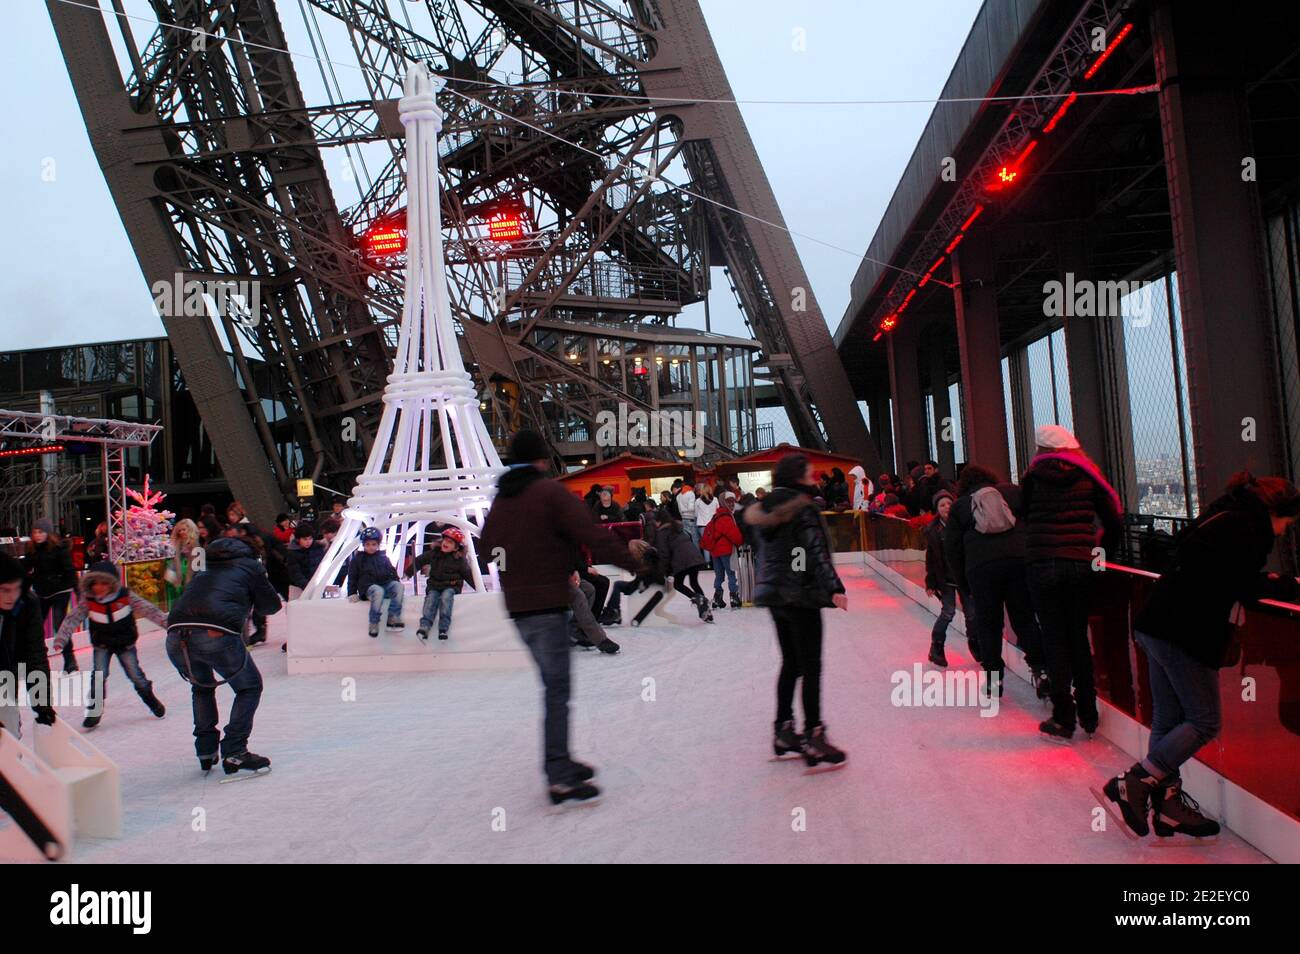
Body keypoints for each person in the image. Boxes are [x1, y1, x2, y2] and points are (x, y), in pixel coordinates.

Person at [1100, 472, 1300, 841]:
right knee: (1205, 721)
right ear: (1277, 510)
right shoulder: (1247, 528)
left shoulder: (1224, 514)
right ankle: (1137, 780)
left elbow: (1214, 570)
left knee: (1169, 717)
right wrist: (1283, 585)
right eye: (1288, 521)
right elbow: (1242, 583)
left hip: (1156, 621)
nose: (1285, 530)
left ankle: (1168, 808)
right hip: (1183, 631)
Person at [479, 430, 639, 805]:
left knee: (553, 688)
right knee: (557, 691)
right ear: (541, 460)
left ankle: (560, 764)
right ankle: (559, 773)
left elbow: (488, 549)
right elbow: (591, 534)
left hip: (518, 610)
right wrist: (634, 563)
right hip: (547, 606)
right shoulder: (549, 493)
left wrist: (520, 559)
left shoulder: (502, 499)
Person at [745, 453, 848, 768]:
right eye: (809, 471)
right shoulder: (804, 509)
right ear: (797, 476)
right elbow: (813, 550)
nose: (814, 474)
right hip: (799, 595)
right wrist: (834, 587)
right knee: (811, 665)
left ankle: (783, 730)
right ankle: (813, 735)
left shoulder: (764, 510)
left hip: (775, 594)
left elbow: (788, 552)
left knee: (791, 662)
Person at [1021, 425, 1124, 741]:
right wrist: (1098, 558)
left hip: (1043, 567)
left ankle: (1063, 718)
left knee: (1054, 640)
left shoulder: (1032, 479)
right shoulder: (1089, 476)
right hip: (1080, 566)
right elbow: (1113, 521)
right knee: (1079, 638)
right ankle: (1089, 715)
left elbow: (1024, 517)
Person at [166, 536, 281, 776]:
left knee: (202, 687)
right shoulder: (250, 565)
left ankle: (206, 750)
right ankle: (235, 751)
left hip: (176, 635)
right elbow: (271, 606)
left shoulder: (204, 565)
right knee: (249, 687)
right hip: (214, 633)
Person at [945, 464, 1047, 699]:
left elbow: (952, 549)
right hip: (1018, 562)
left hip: (981, 569)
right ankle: (1042, 671)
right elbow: (1033, 522)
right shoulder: (1011, 492)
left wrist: (964, 583)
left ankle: (993, 680)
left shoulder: (960, 505)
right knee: (1025, 619)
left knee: (989, 624)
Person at [52, 562, 167, 729]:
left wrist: (167, 623)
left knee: (135, 675)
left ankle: (151, 701)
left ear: (112, 583)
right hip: (102, 644)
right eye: (95, 583)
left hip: (125, 643)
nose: (99, 587)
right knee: (98, 676)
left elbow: (148, 609)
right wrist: (61, 638)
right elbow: (73, 618)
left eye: (104, 583)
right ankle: (94, 711)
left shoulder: (125, 596)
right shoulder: (88, 601)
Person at [0, 554, 56, 737]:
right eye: (4, 590)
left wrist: (42, 704)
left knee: (9, 738)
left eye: (16, 589)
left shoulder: (27, 604)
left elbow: (35, 654)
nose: (11, 596)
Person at [923, 490, 976, 667]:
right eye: (942, 505)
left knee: (972, 613)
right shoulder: (933, 530)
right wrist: (930, 582)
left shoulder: (962, 524)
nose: (946, 507)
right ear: (937, 509)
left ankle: (975, 644)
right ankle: (936, 648)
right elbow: (930, 557)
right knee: (948, 612)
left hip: (964, 576)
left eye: (948, 503)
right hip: (945, 578)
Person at [23, 518, 79, 673]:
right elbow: (26, 571)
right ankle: (38, 658)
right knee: (35, 626)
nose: (37, 535)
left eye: (40, 532)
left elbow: (69, 570)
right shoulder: (32, 550)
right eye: (35, 532)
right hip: (43, 592)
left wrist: (77, 590)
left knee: (59, 624)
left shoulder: (59, 548)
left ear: (47, 533)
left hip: (61, 590)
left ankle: (70, 661)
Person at [651, 508, 713, 622]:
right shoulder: (678, 527)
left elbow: (664, 553)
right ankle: (706, 611)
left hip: (682, 561)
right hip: (694, 556)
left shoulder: (662, 532)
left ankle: (698, 600)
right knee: (694, 582)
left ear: (659, 521)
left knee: (678, 584)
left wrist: (664, 571)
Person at [411, 527, 473, 641]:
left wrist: (480, 588)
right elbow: (420, 560)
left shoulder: (459, 560)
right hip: (434, 585)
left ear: (456, 548)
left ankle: (443, 628)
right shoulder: (434, 554)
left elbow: (467, 574)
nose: (446, 543)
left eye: (450, 542)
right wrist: (408, 572)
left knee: (446, 598)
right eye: (445, 540)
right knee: (430, 599)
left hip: (451, 586)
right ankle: (425, 626)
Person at [348, 527, 405, 637]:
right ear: (363, 545)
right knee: (378, 591)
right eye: (368, 544)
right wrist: (352, 592)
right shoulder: (358, 559)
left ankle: (393, 617)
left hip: (385, 584)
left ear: (378, 544)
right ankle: (374, 622)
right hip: (368, 588)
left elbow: (392, 572)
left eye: (373, 544)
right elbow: (352, 576)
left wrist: (396, 582)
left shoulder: (383, 557)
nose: (371, 547)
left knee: (398, 586)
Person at [701, 491, 743, 610]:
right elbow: (733, 533)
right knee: (731, 574)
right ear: (723, 502)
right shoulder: (726, 516)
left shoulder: (716, 516)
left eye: (733, 501)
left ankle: (717, 598)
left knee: (719, 575)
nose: (732, 504)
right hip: (725, 550)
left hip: (715, 551)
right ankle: (734, 597)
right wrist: (740, 542)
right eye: (729, 501)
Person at [165, 518, 200, 608]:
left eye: (183, 530)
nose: (181, 532)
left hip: (192, 573)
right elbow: (175, 559)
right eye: (179, 531)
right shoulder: (178, 542)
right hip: (178, 571)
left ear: (190, 529)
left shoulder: (195, 544)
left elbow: (196, 566)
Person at [286, 522, 326, 596]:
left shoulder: (318, 548)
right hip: (298, 588)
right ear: (298, 539)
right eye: (305, 539)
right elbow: (295, 573)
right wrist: (307, 586)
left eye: (310, 539)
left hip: (317, 585)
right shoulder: (292, 553)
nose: (308, 542)